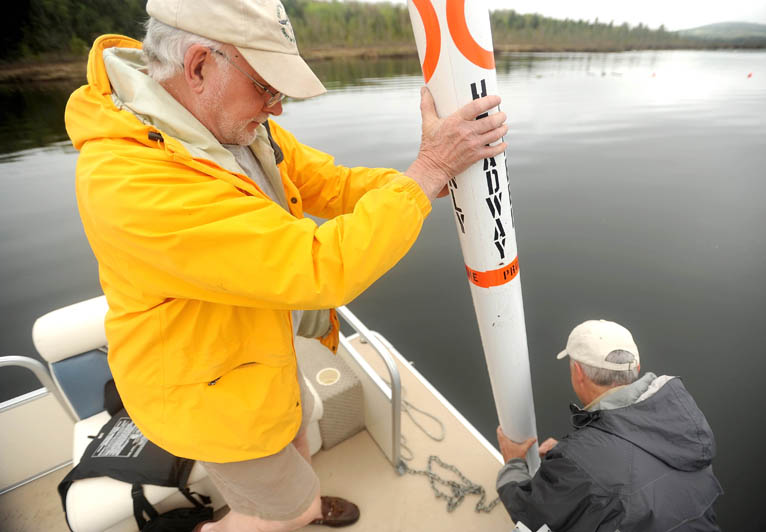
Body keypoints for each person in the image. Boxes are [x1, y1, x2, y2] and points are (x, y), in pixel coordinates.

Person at [64, 0, 509, 530]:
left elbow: (331, 183)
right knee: (290, 511)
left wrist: (427, 175)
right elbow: (317, 267)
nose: (276, 109)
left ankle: (292, 501)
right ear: (200, 65)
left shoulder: (224, 124)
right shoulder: (130, 182)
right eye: (266, 86)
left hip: (256, 352)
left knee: (296, 435)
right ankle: (243, 521)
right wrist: (429, 170)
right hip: (205, 393)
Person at [495, 320, 723, 531]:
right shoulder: (681, 417)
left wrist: (514, 463)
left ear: (578, 373)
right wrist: (572, 465)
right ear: (637, 366)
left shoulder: (579, 460)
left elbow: (529, 511)